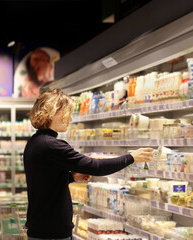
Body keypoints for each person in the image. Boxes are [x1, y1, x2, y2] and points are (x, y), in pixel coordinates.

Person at [23, 89, 153, 240]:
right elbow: (94, 166)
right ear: (53, 112)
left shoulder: (35, 142)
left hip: (42, 228)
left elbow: (45, 180)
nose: (70, 119)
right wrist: (131, 158)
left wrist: (71, 177)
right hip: (51, 233)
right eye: (67, 113)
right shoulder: (52, 145)